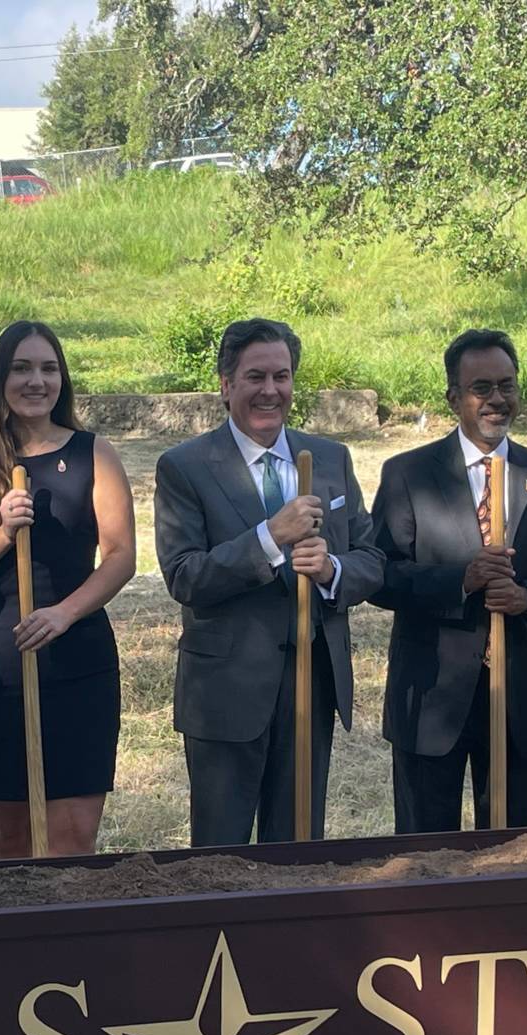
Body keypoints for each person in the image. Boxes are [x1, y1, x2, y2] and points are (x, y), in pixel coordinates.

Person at [154, 317, 384, 846]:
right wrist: (269, 536)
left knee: (300, 847)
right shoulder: (185, 467)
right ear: (226, 383)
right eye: (255, 377)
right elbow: (185, 576)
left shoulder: (329, 458)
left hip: (311, 683)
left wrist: (331, 570)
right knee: (220, 853)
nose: (270, 391)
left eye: (281, 377)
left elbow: (372, 557)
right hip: (226, 691)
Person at [0, 321, 136, 857]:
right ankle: (9, 939)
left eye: (48, 368)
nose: (36, 380)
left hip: (77, 659)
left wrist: (64, 614)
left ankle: (68, 941)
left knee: (72, 835)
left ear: (62, 379)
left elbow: (120, 556)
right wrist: (2, 533)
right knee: (9, 836)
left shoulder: (96, 454)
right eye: (21, 368)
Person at [367, 328, 527, 832]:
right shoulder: (409, 474)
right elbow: (380, 574)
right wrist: (460, 581)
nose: (496, 400)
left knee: (510, 851)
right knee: (425, 851)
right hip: (430, 695)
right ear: (453, 397)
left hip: (516, 699)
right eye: (481, 388)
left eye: (506, 385)